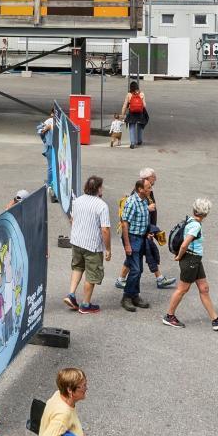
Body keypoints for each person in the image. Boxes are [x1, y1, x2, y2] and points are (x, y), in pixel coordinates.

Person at [162, 198, 218, 330]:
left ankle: (215, 320)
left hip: (195, 260)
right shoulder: (196, 225)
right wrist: (179, 256)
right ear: (205, 213)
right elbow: (184, 245)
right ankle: (169, 316)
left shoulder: (190, 220)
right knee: (182, 289)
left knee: (204, 288)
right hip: (191, 260)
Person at [63, 174, 114, 313]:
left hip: (77, 241)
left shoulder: (77, 201)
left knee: (77, 267)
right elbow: (105, 230)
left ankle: (71, 295)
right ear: (98, 189)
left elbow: (72, 220)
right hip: (92, 245)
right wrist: (108, 249)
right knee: (92, 274)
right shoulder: (101, 206)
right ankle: (85, 304)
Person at [116, 175, 155, 312]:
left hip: (141, 237)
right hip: (132, 238)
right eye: (148, 187)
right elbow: (125, 223)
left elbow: (142, 219)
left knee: (139, 269)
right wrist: (127, 245)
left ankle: (135, 296)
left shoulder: (144, 200)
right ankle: (126, 297)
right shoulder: (132, 202)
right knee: (136, 269)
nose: (151, 189)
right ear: (140, 189)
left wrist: (147, 232)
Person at [123, 80, 149, 148]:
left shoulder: (129, 94)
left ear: (130, 88)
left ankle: (132, 143)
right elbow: (144, 105)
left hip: (132, 113)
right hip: (140, 113)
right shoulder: (142, 94)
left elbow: (125, 106)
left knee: (132, 127)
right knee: (140, 126)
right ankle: (139, 141)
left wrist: (122, 114)